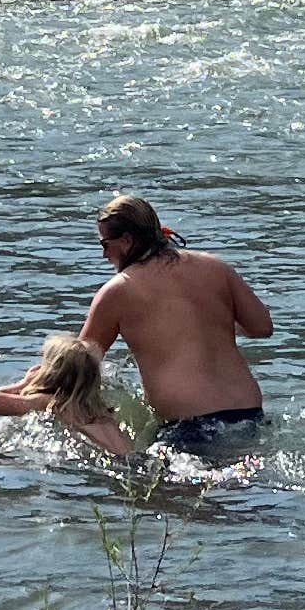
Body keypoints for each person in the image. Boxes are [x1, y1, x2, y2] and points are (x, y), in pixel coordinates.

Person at [77, 192, 273, 458]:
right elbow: (262, 326)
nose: (103, 255)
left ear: (126, 241)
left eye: (104, 244)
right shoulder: (215, 266)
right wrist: (216, 323)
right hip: (250, 416)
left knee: (162, 496)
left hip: (191, 430)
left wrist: (28, 390)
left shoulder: (119, 290)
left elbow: (78, 366)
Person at [0, 332, 140, 461]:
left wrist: (23, 384)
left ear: (50, 374)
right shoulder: (98, 408)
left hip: (103, 463)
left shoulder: (51, 403)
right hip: (131, 459)